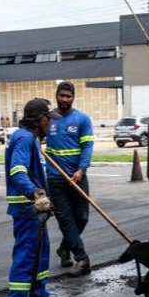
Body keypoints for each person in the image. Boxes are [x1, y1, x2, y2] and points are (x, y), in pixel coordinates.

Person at [4, 98, 65, 297]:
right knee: (26, 261)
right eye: (48, 119)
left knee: (40, 256)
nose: (50, 124)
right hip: (26, 208)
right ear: (39, 120)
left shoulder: (29, 139)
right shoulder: (23, 138)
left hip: (34, 211)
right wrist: (35, 193)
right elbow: (17, 170)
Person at [44, 81, 94, 277]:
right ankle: (82, 259)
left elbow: (87, 147)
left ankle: (64, 248)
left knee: (81, 218)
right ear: (56, 95)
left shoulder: (82, 119)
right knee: (65, 220)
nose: (64, 99)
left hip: (77, 177)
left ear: (73, 97)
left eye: (68, 96)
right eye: (61, 96)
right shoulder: (49, 119)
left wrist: (82, 169)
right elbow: (36, 136)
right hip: (55, 178)